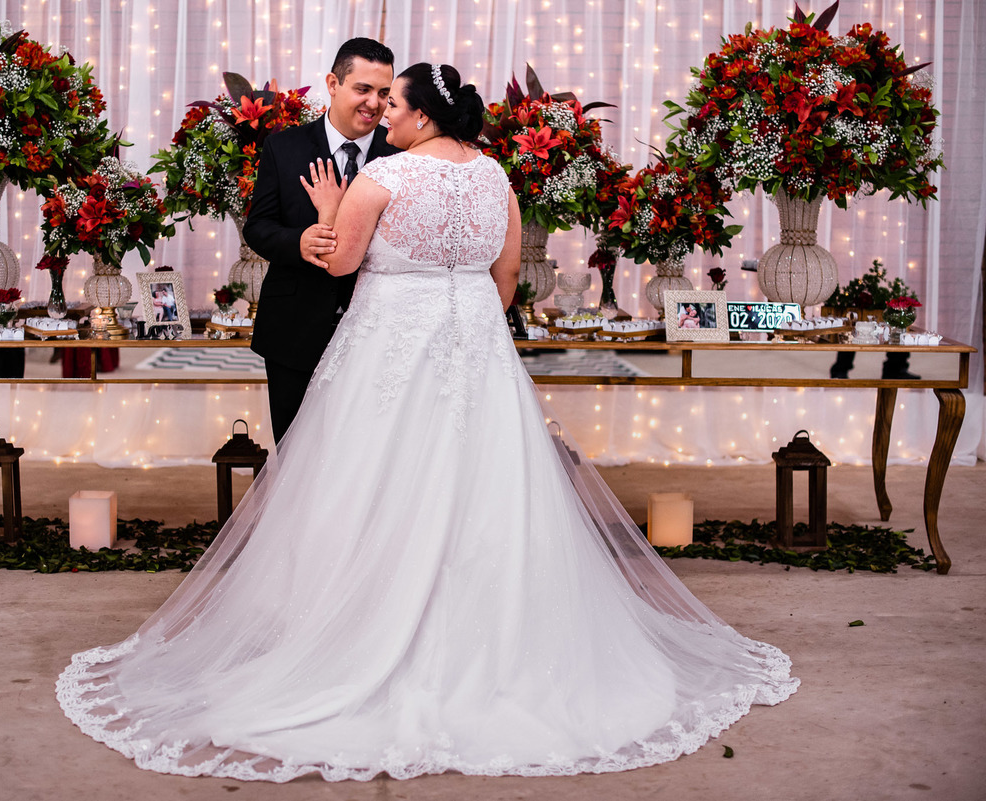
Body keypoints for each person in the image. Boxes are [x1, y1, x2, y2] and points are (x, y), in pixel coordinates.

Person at [57, 63, 798, 781]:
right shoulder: (496, 175)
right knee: (487, 485)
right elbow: (508, 280)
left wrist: (325, 214)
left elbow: (342, 263)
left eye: (396, 105)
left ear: (419, 114)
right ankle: (497, 642)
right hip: (476, 345)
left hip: (389, 346)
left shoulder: (385, 175)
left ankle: (348, 632)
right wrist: (462, 308)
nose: (385, 115)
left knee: (368, 479)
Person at [244, 37, 401, 443]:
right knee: (295, 448)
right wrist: (298, 242)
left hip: (375, 329)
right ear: (333, 83)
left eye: (384, 93)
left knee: (364, 451)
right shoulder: (284, 145)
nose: (374, 103)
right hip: (293, 327)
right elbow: (258, 227)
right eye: (362, 89)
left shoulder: (401, 154)